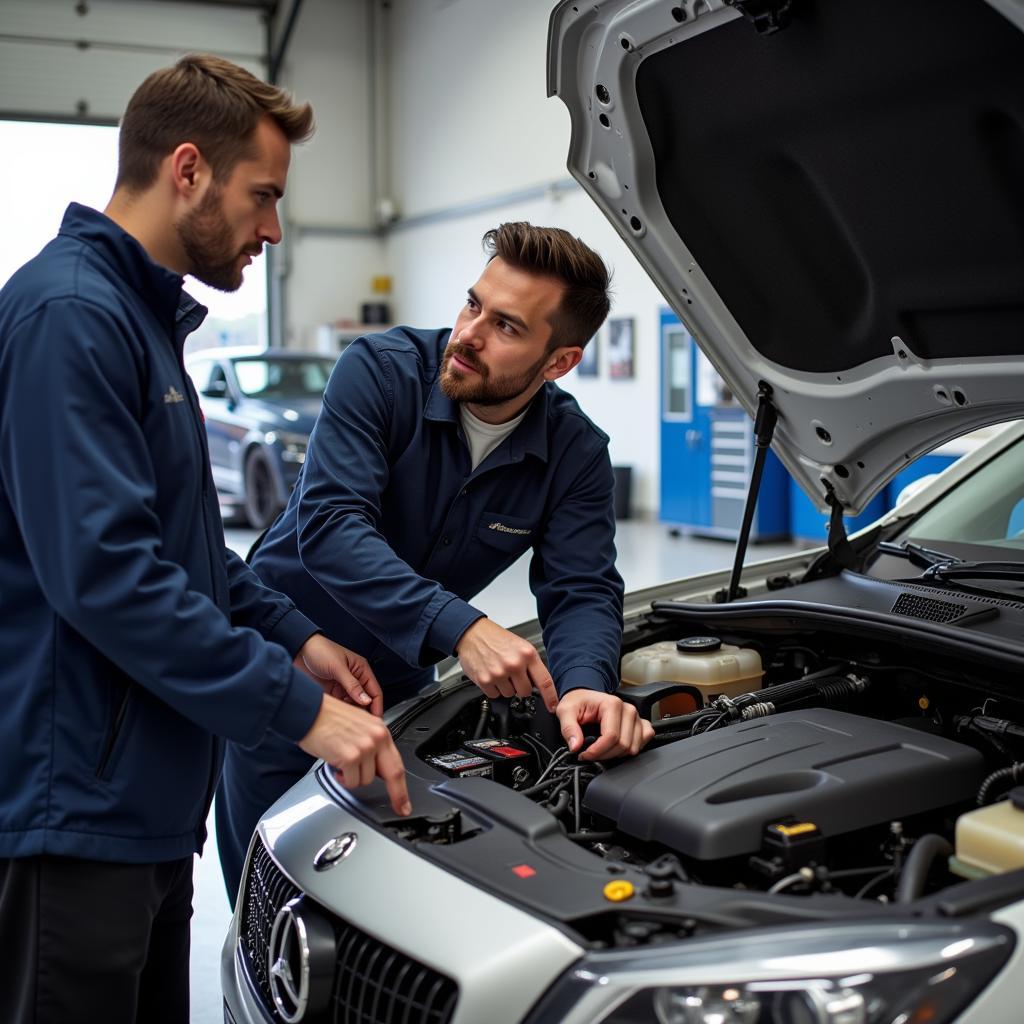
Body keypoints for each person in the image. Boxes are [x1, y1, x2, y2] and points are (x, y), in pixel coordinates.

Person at [0, 54, 409, 1024]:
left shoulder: (140, 325)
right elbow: (108, 578)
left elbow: (184, 547)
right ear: (187, 169)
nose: (273, 227)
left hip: (141, 803)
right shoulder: (73, 316)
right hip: (75, 813)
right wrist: (300, 708)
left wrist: (291, 632)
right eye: (263, 195)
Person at [217, 221, 655, 899]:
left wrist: (586, 684)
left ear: (559, 361)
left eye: (506, 326)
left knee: (376, 896)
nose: (469, 334)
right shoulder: (380, 375)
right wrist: (463, 627)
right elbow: (331, 525)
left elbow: (582, 589)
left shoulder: (575, 452)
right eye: (473, 304)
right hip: (287, 662)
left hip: (397, 691)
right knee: (269, 896)